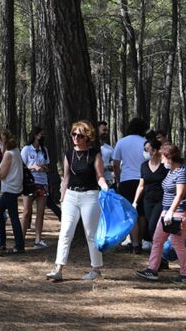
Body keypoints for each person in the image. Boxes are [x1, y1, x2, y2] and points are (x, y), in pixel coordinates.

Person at [46, 121, 109, 281]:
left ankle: (96, 269)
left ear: (87, 137)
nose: (76, 137)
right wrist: (62, 196)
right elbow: (66, 178)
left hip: (90, 195)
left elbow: (100, 176)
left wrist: (105, 187)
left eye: (80, 135)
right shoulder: (69, 154)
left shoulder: (95, 154)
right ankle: (58, 268)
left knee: (90, 233)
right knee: (65, 232)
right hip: (71, 196)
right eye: (74, 134)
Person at [136, 144, 186, 285]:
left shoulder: (181, 172)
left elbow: (180, 195)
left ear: (169, 157)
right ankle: (152, 269)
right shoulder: (171, 171)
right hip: (166, 211)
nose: (161, 160)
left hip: (178, 213)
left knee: (177, 243)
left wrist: (171, 211)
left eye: (162, 157)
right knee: (157, 240)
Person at [112, 117, 150, 254]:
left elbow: (116, 164)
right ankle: (139, 241)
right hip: (143, 180)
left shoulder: (122, 142)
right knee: (141, 213)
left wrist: (118, 179)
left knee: (130, 213)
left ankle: (134, 243)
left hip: (126, 181)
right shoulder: (146, 143)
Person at [0, 128, 25, 253]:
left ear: (3, 141)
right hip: (14, 188)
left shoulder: (8, 154)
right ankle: (15, 243)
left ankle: (5, 242)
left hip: (10, 189)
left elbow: (2, 174)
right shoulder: (16, 151)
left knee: (0, 213)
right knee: (9, 215)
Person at [132, 139, 169, 241]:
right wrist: (135, 202)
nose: (145, 152)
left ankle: (160, 251)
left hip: (161, 200)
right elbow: (141, 186)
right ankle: (158, 250)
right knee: (151, 227)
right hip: (147, 200)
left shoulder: (165, 166)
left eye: (147, 149)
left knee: (153, 226)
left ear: (155, 151)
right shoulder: (143, 166)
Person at [21, 127, 50, 248]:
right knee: (27, 211)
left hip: (42, 183)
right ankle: (20, 239)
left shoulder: (44, 150)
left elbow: (48, 167)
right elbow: (22, 166)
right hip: (29, 183)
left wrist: (43, 168)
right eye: (40, 134)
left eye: (42, 135)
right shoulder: (26, 149)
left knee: (41, 211)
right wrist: (34, 168)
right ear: (34, 135)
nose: (41, 137)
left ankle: (38, 240)